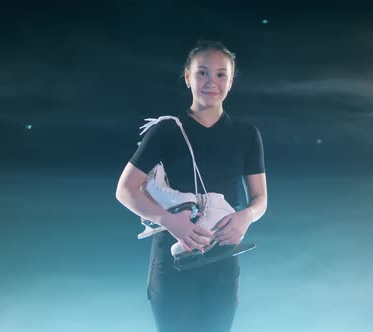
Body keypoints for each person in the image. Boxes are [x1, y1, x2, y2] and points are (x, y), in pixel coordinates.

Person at [115, 40, 268, 332]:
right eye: (202, 73)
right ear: (188, 77)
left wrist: (246, 216)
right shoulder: (167, 130)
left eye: (221, 74)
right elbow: (125, 189)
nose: (212, 82)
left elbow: (260, 199)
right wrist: (170, 222)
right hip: (174, 255)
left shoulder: (247, 135)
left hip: (223, 255)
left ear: (231, 81)